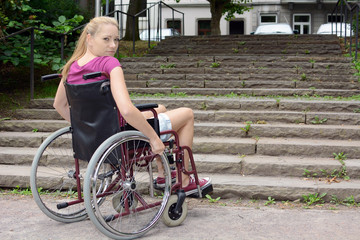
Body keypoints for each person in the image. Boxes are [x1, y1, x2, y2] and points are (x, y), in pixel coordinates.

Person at [53, 16, 211, 195]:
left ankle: (161, 174)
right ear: (89, 38)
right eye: (106, 39)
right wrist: (153, 138)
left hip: (102, 132)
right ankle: (184, 180)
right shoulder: (109, 63)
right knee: (187, 113)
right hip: (122, 132)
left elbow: (59, 105)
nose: (113, 45)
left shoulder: (71, 67)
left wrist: (85, 127)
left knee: (161, 109)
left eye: (116, 39)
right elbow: (127, 109)